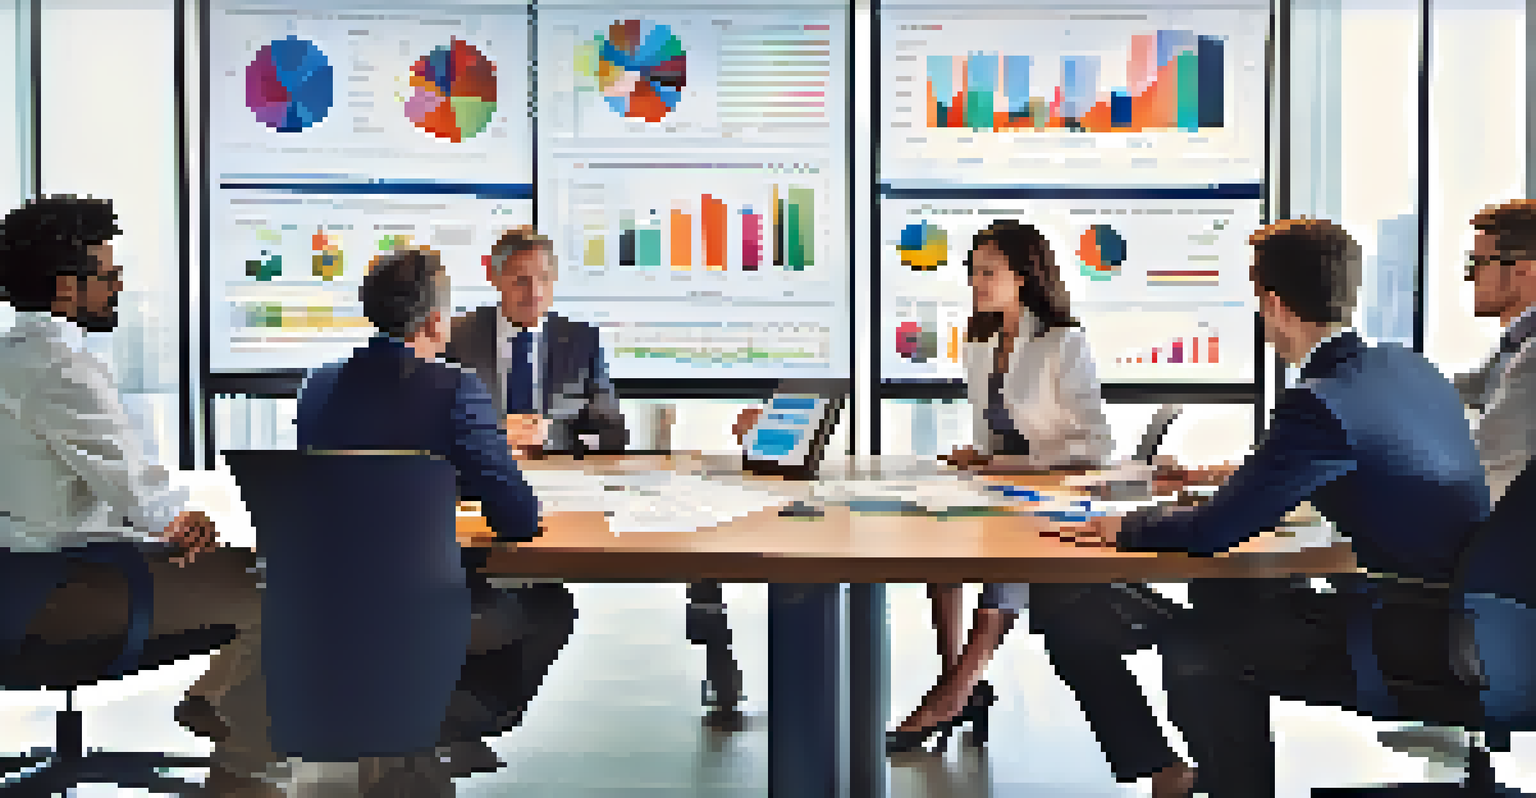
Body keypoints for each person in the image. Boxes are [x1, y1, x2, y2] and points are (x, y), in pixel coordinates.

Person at [1054, 217, 1491, 798]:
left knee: (1201, 647)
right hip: (1477, 618)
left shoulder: (1319, 401)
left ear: (1275, 305)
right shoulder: (1410, 370)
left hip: (1414, 632)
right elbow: (1362, 469)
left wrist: (1124, 527)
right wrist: (1239, 483)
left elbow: (1215, 531)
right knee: (1227, 596)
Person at [883, 220, 1196, 796]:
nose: (975, 283)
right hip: (996, 483)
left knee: (1011, 561)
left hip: (1052, 488)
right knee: (938, 548)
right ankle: (960, 678)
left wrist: (1012, 468)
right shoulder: (978, 342)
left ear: (1024, 277)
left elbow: (1091, 445)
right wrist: (977, 456)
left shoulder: (1062, 341)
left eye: (988, 273)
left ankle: (955, 691)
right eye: (972, 272)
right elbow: (991, 430)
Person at [0, 195, 273, 796]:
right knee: (278, 587)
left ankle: (215, 710)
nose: (118, 286)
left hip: (18, 581)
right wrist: (182, 517)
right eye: (108, 275)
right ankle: (230, 742)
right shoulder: (57, 368)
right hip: (52, 592)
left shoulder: (9, 358)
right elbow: (137, 493)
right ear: (66, 289)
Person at [297, 245, 577, 794]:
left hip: (326, 604)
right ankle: (428, 729)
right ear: (434, 321)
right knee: (548, 605)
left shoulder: (319, 385)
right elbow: (518, 518)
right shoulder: (455, 390)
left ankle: (400, 728)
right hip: (421, 608)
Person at [1379, 198, 1536, 762]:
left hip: (1504, 598)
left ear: (1523, 270)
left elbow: (1484, 488)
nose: (1469, 277)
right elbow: (1466, 390)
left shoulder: (1533, 362)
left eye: (1477, 263)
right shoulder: (1517, 352)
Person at [443, 226, 627, 454]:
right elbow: (432, 422)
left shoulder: (582, 341)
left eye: (544, 278)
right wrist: (494, 432)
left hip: (559, 476)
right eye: (521, 280)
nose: (534, 291)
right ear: (495, 277)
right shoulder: (456, 337)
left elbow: (613, 433)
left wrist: (550, 435)